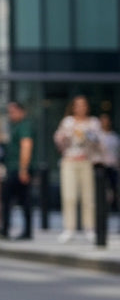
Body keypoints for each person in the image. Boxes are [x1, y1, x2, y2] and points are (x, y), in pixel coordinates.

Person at [53, 95, 102, 243]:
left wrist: (90, 136)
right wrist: (65, 136)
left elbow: (99, 143)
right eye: (78, 105)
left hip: (86, 161)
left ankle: (89, 228)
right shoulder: (67, 122)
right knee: (69, 196)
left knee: (88, 197)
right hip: (69, 161)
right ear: (73, 107)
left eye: (83, 104)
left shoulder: (93, 122)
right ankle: (69, 229)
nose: (81, 107)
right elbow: (58, 142)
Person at [0, 100, 33, 241]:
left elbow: (26, 146)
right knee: (22, 200)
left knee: (13, 199)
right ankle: (17, 230)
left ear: (21, 111)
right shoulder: (14, 126)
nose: (10, 115)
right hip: (14, 168)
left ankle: (7, 230)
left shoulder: (24, 126)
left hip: (18, 169)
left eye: (13, 111)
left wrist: (23, 169)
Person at [99, 114, 118, 230]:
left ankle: (112, 210)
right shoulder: (97, 136)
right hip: (101, 167)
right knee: (102, 193)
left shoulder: (114, 137)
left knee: (113, 192)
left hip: (112, 167)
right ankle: (101, 217)